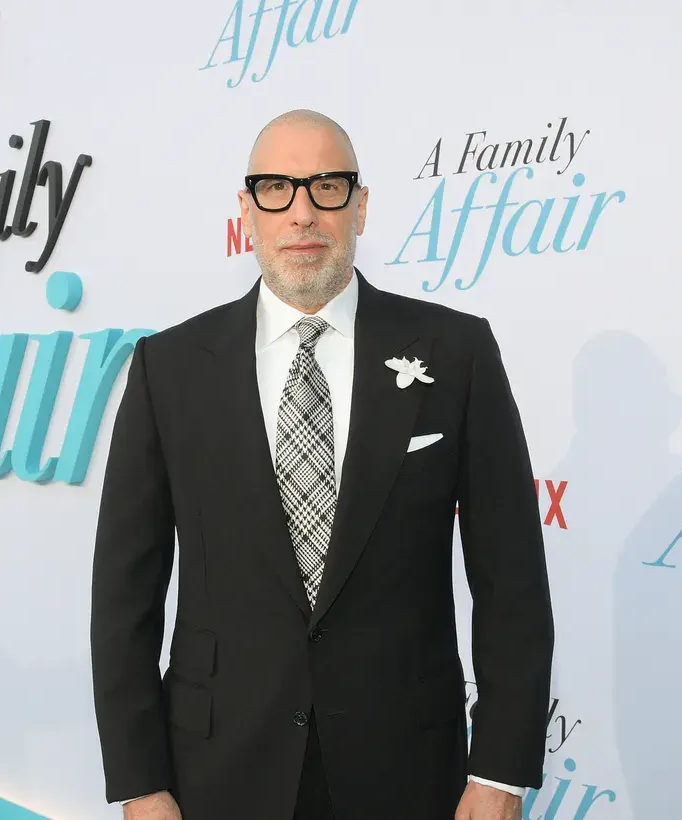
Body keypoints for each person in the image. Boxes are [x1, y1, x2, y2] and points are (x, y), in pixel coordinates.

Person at [90, 109, 554, 820]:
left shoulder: (456, 355)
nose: (301, 212)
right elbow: (125, 596)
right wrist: (139, 783)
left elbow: (512, 582)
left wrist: (498, 773)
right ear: (246, 212)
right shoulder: (170, 369)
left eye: (327, 187)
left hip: (408, 767)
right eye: (275, 188)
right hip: (216, 768)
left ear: (360, 206)